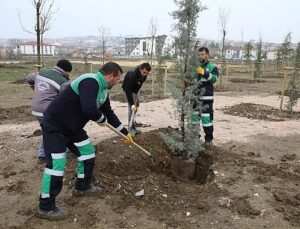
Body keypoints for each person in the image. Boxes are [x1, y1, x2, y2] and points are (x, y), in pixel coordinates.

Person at [37, 62, 133, 220]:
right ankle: (45, 206)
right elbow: (88, 108)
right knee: (56, 165)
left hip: (72, 129)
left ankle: (82, 186)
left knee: (88, 153)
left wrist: (124, 132)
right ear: (110, 75)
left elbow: (108, 113)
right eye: (117, 79)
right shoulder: (90, 81)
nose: (117, 83)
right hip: (56, 126)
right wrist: (100, 119)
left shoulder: (103, 91)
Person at [26, 59, 73, 164]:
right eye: (69, 72)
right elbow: (67, 99)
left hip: (35, 109)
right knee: (60, 129)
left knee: (47, 130)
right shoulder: (63, 82)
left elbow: (29, 77)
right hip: (48, 111)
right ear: (67, 71)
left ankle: (43, 154)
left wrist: (34, 88)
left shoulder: (41, 73)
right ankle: (53, 153)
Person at [191, 47, 219, 145]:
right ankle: (194, 138)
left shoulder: (212, 67)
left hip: (206, 99)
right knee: (194, 119)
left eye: (202, 54)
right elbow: (190, 81)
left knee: (206, 120)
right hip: (194, 98)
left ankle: (208, 140)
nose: (200, 56)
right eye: (199, 54)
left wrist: (204, 72)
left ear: (207, 55)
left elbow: (214, 79)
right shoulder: (194, 68)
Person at [122, 63, 151, 134]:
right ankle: (130, 128)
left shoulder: (144, 74)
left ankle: (133, 123)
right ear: (140, 69)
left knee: (136, 105)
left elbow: (139, 84)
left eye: (147, 73)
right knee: (131, 108)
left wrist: (136, 98)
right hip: (127, 90)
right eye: (144, 72)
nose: (145, 74)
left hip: (135, 89)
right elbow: (128, 90)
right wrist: (132, 104)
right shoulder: (133, 75)